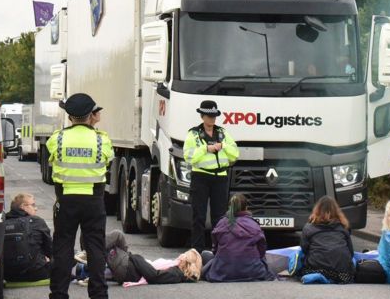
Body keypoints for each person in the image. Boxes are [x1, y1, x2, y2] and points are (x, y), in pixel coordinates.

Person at [46, 93, 113, 299]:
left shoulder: (57, 138)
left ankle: (59, 294)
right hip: (93, 200)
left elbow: (51, 158)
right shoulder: (101, 139)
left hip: (66, 200)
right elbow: (107, 160)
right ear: (91, 115)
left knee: (63, 247)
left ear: (69, 116)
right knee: (95, 247)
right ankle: (98, 294)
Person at [183, 100, 239, 251]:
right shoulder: (193, 134)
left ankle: (219, 249)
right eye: (209, 116)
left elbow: (235, 154)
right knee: (198, 216)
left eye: (214, 116)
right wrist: (205, 149)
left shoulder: (222, 133)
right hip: (200, 177)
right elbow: (189, 157)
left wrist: (223, 146)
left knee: (220, 217)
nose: (212, 119)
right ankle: (197, 250)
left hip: (220, 177)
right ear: (202, 116)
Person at [203, 195, 276, 282]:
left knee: (205, 254)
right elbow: (261, 251)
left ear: (230, 207)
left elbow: (215, 250)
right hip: (252, 271)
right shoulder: (253, 224)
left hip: (223, 272)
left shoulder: (221, 223)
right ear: (246, 208)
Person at [105, 230, 201, 285]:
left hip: (128, 269)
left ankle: (96, 254)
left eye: (185, 253)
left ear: (186, 260)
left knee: (115, 237)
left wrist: (135, 258)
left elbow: (153, 275)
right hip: (129, 268)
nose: (181, 254)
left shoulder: (176, 274)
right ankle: (101, 268)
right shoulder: (175, 268)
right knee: (116, 239)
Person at [299, 196, 355, 284]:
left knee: (299, 259)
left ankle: (321, 277)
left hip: (315, 268)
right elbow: (351, 252)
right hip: (342, 273)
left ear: (317, 210)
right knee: (352, 263)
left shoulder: (309, 227)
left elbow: (304, 249)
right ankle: (330, 279)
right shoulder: (343, 227)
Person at [4, 192, 53, 282]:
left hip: (8, 275)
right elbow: (50, 249)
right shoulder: (37, 221)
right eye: (33, 205)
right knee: (65, 256)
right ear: (23, 206)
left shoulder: (2, 223)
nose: (36, 208)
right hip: (36, 273)